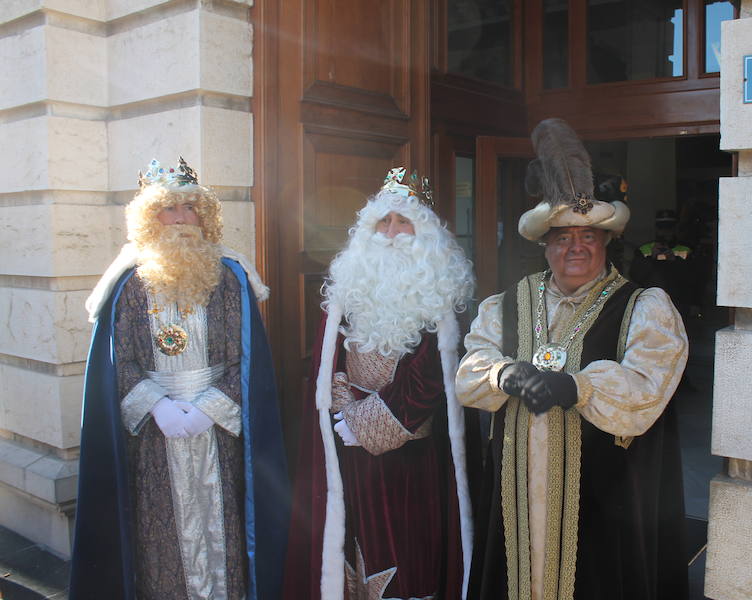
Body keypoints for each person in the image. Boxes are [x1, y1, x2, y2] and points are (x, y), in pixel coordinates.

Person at [457, 119, 689, 600]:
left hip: (606, 495)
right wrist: (505, 373)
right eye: (562, 237)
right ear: (546, 245)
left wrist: (579, 387)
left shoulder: (644, 306)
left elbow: (649, 387)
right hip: (517, 490)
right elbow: (469, 372)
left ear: (606, 242)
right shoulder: (506, 303)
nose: (575, 247)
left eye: (587, 236)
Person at [69, 158, 289, 600]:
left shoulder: (229, 278)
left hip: (217, 437)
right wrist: (159, 406)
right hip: (154, 435)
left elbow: (240, 362)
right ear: (150, 217)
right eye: (170, 209)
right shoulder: (128, 283)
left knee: (222, 527)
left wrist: (207, 410)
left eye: (191, 208)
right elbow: (121, 360)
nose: (182, 219)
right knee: (158, 534)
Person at [283, 168, 476, 600]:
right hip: (350, 452)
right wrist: (343, 413)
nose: (392, 233)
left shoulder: (440, 296)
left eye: (403, 222)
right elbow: (327, 362)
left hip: (412, 458)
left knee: (408, 555)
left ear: (424, 232)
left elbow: (429, 379)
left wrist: (366, 423)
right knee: (356, 546)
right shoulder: (347, 293)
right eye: (383, 223)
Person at [630, 209, 696, 318]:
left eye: (669, 227)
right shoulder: (644, 250)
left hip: (679, 305)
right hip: (651, 306)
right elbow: (636, 276)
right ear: (656, 229)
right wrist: (652, 258)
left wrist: (674, 261)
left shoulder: (686, 250)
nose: (665, 231)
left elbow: (693, 278)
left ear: (675, 228)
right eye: (662, 227)